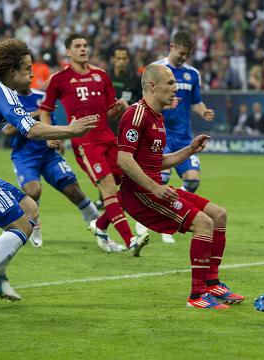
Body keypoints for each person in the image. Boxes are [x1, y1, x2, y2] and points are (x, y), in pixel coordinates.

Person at [0, 39, 97, 310]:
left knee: (29, 208)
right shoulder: (2, 92)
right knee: (20, 225)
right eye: (28, 69)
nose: (33, 75)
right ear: (10, 71)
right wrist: (70, 130)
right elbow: (30, 129)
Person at [117, 63, 244, 309]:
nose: (176, 89)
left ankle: (212, 283)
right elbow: (124, 159)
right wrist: (154, 187)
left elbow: (158, 161)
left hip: (153, 188)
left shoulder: (157, 117)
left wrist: (189, 150)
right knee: (203, 223)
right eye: (170, 83)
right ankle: (197, 296)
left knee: (218, 214)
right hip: (139, 193)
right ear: (152, 86)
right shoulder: (136, 114)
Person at [39, 33, 148, 255]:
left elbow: (109, 112)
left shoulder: (101, 75)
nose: (83, 49)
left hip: (108, 138)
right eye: (78, 46)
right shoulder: (59, 79)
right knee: (108, 187)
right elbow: (45, 110)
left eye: (85, 45)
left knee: (130, 185)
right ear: (68, 51)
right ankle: (131, 240)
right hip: (85, 143)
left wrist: (118, 108)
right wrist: (51, 134)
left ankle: (100, 226)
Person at [2, 83, 99, 247]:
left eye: (30, 71)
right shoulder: (9, 99)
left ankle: (99, 224)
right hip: (25, 156)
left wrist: (57, 140)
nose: (29, 75)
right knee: (34, 190)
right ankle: (35, 224)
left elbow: (51, 123)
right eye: (26, 70)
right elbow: (7, 130)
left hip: (48, 154)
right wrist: (34, 114)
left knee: (73, 190)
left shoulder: (43, 97)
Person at [151, 31, 215, 244]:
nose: (183, 58)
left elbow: (196, 101)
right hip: (162, 133)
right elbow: (147, 99)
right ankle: (163, 221)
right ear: (171, 47)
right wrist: (165, 104)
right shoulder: (158, 69)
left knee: (193, 180)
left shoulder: (192, 74)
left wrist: (203, 111)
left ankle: (169, 213)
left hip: (184, 136)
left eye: (187, 55)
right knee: (164, 177)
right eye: (181, 53)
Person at [108, 46, 142, 135]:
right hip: (108, 127)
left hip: (128, 127)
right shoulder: (105, 77)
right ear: (113, 59)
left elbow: (142, 104)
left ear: (128, 60)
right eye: (118, 58)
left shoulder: (136, 80)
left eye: (124, 58)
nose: (121, 62)